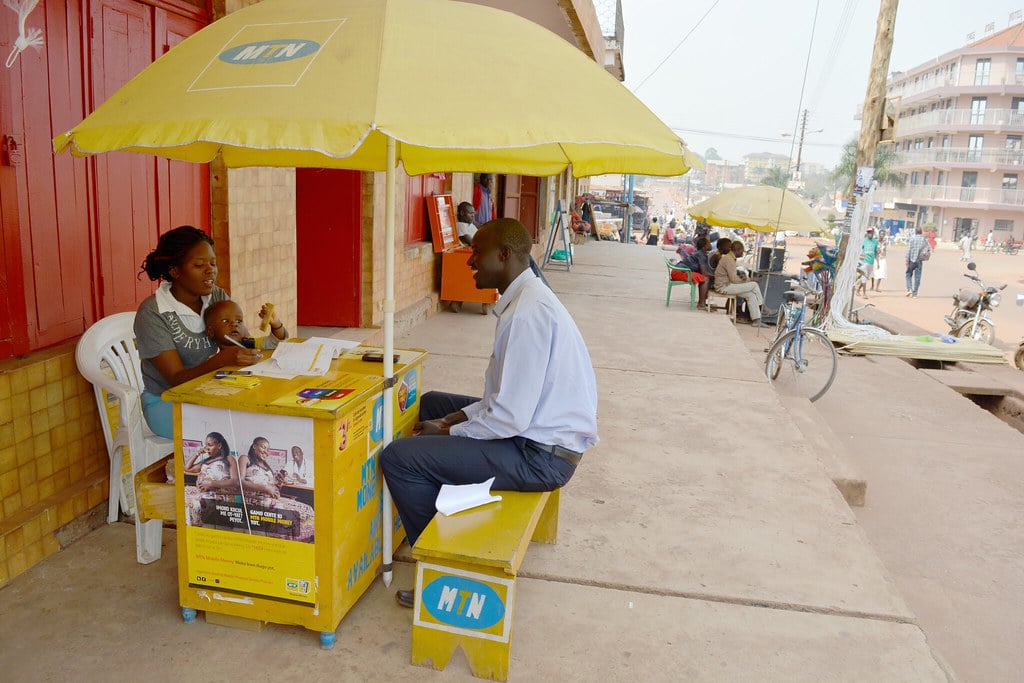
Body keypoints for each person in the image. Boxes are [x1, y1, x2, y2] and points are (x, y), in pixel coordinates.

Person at [381, 218, 598, 608]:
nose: (469, 262)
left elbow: (508, 419)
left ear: (504, 255)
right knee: (432, 403)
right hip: (531, 433)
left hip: (539, 457)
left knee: (398, 459)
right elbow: (501, 401)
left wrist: (445, 435)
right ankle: (440, 495)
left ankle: (444, 568)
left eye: (476, 252)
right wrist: (449, 420)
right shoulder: (525, 299)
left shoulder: (527, 315)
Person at [135, 226, 263, 439]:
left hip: (212, 393)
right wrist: (221, 361)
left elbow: (242, 342)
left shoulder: (216, 297)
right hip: (167, 402)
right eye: (199, 265)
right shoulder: (154, 313)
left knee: (263, 412)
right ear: (175, 271)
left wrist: (269, 336)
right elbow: (175, 379)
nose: (210, 270)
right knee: (238, 428)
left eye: (213, 263)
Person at [242, 437, 315, 542]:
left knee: (308, 510)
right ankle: (287, 541)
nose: (266, 452)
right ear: (254, 446)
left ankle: (304, 540)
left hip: (272, 498)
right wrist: (265, 488)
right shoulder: (245, 459)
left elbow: (274, 488)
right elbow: (239, 482)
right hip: (256, 499)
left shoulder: (266, 465)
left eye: (268, 449)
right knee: (293, 514)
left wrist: (278, 484)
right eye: (263, 447)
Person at [714, 241, 768, 327]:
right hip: (724, 287)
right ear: (737, 250)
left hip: (728, 285)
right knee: (754, 284)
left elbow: (732, 274)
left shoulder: (729, 258)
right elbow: (734, 280)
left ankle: (756, 320)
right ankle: (762, 307)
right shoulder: (729, 259)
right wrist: (749, 280)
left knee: (751, 295)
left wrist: (740, 275)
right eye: (742, 251)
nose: (742, 253)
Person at [204, 300, 288, 351]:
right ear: (210, 331)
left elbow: (274, 343)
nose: (234, 324)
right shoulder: (214, 361)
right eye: (225, 321)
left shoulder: (249, 343)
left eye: (239, 321)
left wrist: (276, 325)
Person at [678, 237, 713, 309]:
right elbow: (704, 272)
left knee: (704, 277)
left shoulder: (700, 253)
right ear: (704, 247)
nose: (711, 245)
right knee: (705, 278)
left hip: (681, 270)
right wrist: (715, 275)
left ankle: (702, 302)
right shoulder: (701, 255)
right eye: (709, 244)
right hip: (679, 272)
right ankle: (701, 304)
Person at [905, 226, 927, 298]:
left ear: (915, 232)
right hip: (919, 261)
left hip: (912, 260)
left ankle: (909, 289)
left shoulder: (912, 238)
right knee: (917, 277)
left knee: (908, 274)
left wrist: (907, 260)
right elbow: (928, 249)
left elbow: (909, 250)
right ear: (921, 232)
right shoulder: (924, 239)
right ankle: (915, 294)